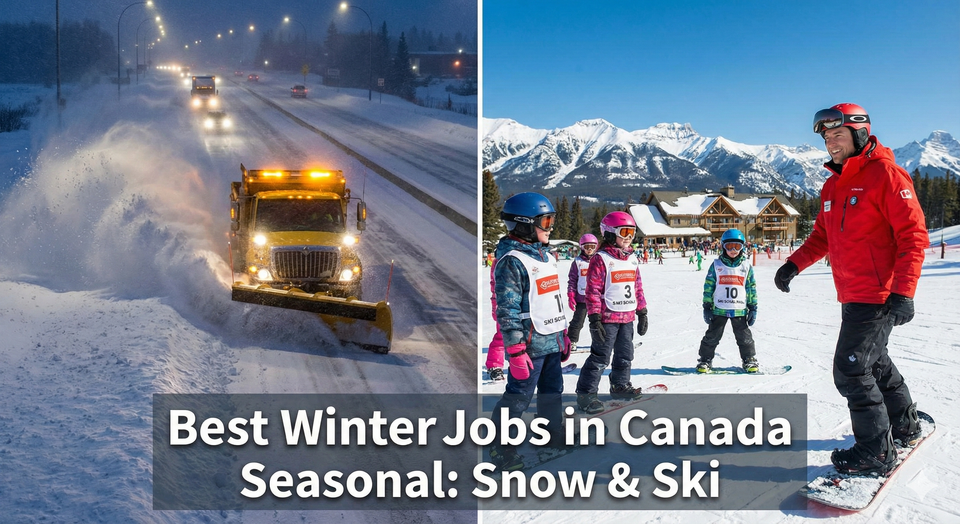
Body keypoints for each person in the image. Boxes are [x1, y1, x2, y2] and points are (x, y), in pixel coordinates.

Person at [774, 103, 928, 476]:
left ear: (860, 133)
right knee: (873, 361)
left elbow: (913, 236)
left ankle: (875, 452)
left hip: (879, 296)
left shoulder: (886, 175)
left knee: (851, 368)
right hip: (852, 294)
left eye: (837, 135)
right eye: (827, 137)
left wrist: (904, 292)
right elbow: (822, 237)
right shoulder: (834, 184)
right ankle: (905, 425)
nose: (831, 143)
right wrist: (793, 264)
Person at [489, 192, 570, 471]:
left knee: (552, 392)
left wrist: (563, 334)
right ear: (524, 224)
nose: (550, 227)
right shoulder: (512, 261)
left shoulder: (545, 257)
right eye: (545, 221)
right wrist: (515, 349)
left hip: (551, 340)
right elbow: (508, 310)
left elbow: (551, 300)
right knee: (518, 398)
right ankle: (500, 447)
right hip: (529, 345)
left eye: (551, 220)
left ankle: (550, 436)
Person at [575, 211, 648, 414]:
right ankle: (586, 393)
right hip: (607, 318)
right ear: (609, 233)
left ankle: (620, 385)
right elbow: (593, 290)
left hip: (627, 316)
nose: (628, 237)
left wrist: (642, 311)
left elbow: (637, 287)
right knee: (600, 357)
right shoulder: (601, 259)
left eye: (632, 233)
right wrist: (594, 318)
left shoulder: (632, 259)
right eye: (624, 232)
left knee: (625, 355)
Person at [696, 229, 758, 373]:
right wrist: (707, 305)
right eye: (729, 246)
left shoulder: (746, 266)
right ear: (723, 246)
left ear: (742, 247)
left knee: (744, 337)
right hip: (719, 308)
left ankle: (749, 359)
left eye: (737, 247)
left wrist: (753, 306)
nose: (733, 250)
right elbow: (709, 286)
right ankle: (705, 360)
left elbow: (751, 287)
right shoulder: (717, 265)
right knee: (712, 336)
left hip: (739, 309)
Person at [566, 234, 599, 350]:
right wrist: (571, 295)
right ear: (582, 247)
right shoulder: (577, 262)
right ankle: (572, 341)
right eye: (587, 247)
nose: (589, 250)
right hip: (582, 298)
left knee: (598, 322)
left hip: (597, 298)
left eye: (592, 247)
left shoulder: (599, 261)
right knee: (578, 321)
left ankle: (602, 341)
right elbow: (572, 279)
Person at [485, 256, 505, 382]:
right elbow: (495, 285)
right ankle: (494, 365)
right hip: (504, 303)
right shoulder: (501, 258)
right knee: (502, 336)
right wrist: (496, 305)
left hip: (530, 303)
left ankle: (537, 364)